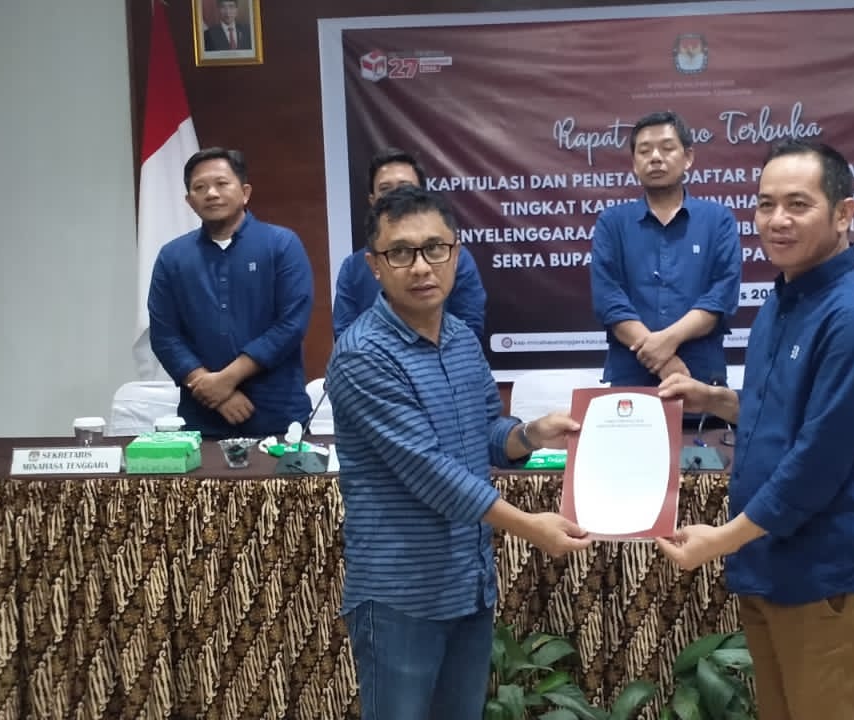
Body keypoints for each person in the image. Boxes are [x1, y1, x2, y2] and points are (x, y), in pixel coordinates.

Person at [655, 139, 854, 720]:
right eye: (766, 204)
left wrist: (723, 539)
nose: (777, 220)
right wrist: (716, 400)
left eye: (798, 204)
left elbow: (818, 460)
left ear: (844, 213)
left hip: (821, 578)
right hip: (767, 566)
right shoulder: (784, 298)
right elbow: (783, 415)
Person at [327, 184, 591, 720]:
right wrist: (530, 527)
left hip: (467, 584)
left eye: (435, 248)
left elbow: (486, 432)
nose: (422, 266)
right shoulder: (362, 355)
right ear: (374, 266)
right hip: (401, 592)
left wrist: (531, 434)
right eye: (401, 252)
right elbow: (430, 471)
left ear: (456, 253)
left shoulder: (462, 339)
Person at [148, 147, 312, 437]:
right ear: (189, 201)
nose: (211, 193)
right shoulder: (172, 257)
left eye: (221, 183)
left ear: (245, 192)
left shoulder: (281, 244)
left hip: (278, 417)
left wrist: (227, 379)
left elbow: (291, 325)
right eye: (200, 187)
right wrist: (213, 389)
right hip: (202, 417)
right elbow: (165, 335)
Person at [590, 111, 740, 386]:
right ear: (634, 164)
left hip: (700, 375)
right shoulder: (611, 223)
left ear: (688, 157)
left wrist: (666, 342)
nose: (656, 157)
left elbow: (721, 296)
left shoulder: (718, 220)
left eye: (667, 148)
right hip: (630, 378)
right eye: (644, 151)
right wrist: (663, 360)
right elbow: (609, 300)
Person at [333, 148, 488, 344]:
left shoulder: (455, 256)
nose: (396, 196)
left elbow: (470, 325)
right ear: (372, 200)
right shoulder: (352, 267)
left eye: (405, 187)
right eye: (385, 189)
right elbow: (344, 333)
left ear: (422, 194)